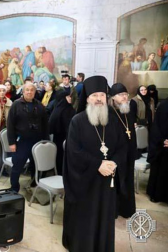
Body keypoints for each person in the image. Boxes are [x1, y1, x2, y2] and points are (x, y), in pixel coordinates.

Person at [62, 76, 128, 252]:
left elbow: (123, 147)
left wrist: (114, 163)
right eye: (94, 95)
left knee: (104, 217)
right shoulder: (77, 121)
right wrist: (98, 164)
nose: (99, 99)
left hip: (107, 181)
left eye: (101, 95)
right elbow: (74, 152)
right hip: (85, 182)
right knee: (86, 218)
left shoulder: (113, 120)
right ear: (87, 98)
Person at [7, 82, 49, 192]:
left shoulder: (39, 105)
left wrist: (45, 140)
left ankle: (34, 184)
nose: (29, 92)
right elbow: (10, 124)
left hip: (36, 141)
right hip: (21, 141)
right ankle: (14, 187)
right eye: (27, 90)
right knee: (17, 165)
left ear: (35, 92)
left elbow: (45, 124)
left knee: (35, 164)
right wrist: (11, 143)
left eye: (32, 90)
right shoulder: (16, 105)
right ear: (23, 91)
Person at [109, 83, 137, 218]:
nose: (125, 97)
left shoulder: (128, 111)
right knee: (117, 182)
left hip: (129, 154)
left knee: (128, 180)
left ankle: (126, 209)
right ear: (113, 98)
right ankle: (114, 209)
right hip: (116, 154)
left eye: (126, 94)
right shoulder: (109, 113)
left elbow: (131, 132)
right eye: (121, 95)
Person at [146, 97, 168, 203]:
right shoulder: (164, 105)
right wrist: (162, 140)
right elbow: (157, 127)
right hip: (161, 147)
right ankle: (156, 194)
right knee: (159, 172)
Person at [48, 91, 75, 175]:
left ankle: (59, 172)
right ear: (63, 99)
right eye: (68, 97)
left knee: (59, 156)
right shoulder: (67, 110)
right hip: (65, 138)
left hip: (58, 137)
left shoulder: (58, 108)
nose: (70, 98)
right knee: (62, 156)